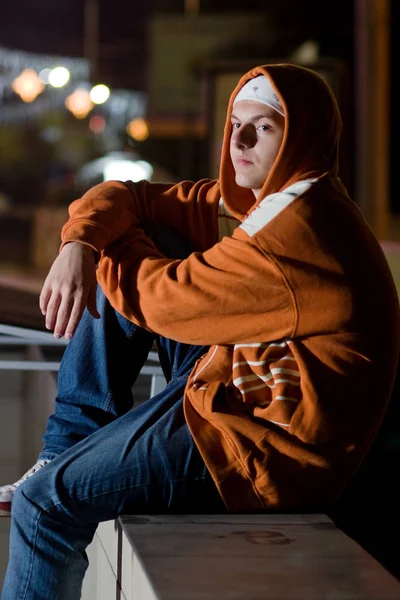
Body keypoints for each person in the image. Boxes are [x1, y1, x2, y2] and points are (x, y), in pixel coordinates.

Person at [1, 63, 399, 599]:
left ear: (301, 137)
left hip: (260, 451)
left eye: (265, 126)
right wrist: (81, 242)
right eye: (236, 122)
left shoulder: (301, 237)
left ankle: (61, 464)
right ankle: (66, 447)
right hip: (234, 386)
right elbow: (129, 195)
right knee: (144, 230)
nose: (239, 139)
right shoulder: (274, 201)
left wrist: (103, 248)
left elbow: (163, 299)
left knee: (44, 505)